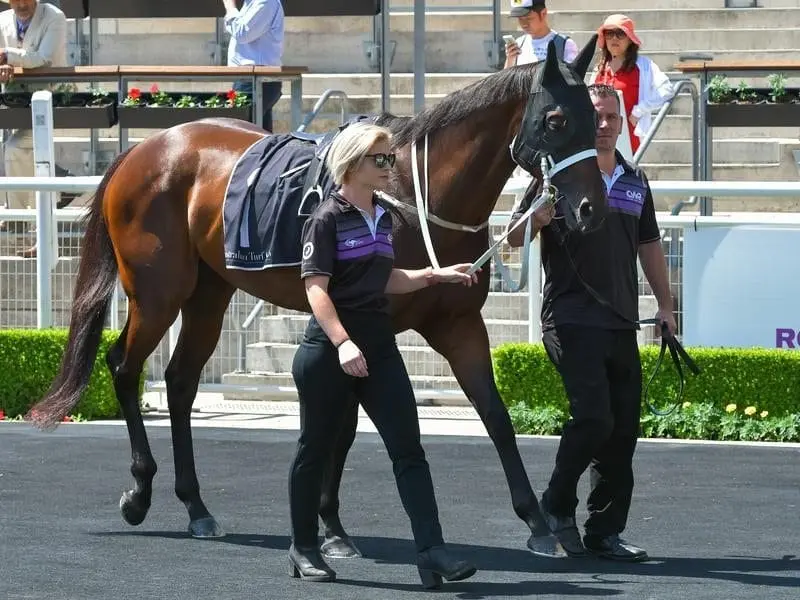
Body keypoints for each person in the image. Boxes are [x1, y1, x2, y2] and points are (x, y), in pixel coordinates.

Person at [287, 122, 479, 587]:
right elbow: (316, 289)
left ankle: (432, 551)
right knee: (315, 449)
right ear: (353, 164)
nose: (390, 166)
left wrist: (435, 276)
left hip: (379, 344)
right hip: (330, 349)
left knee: (409, 450)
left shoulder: (384, 216)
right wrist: (342, 343)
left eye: (390, 158)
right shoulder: (326, 217)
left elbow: (384, 277)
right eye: (382, 159)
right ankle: (304, 547)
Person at [506, 84, 676, 562]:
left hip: (621, 321)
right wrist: (535, 219)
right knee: (594, 418)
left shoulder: (635, 179)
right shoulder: (555, 176)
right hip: (570, 318)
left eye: (611, 118)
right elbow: (512, 240)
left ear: (622, 123)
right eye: (597, 117)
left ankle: (605, 531)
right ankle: (556, 505)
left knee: (622, 431)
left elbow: (649, 247)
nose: (604, 126)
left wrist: (665, 307)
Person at [0, 0, 67, 233]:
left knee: (16, 149)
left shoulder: (54, 17)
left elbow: (42, 58)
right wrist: (3, 66)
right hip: (14, 101)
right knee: (25, 154)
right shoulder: (3, 20)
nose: (21, 4)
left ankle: (20, 220)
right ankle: (61, 189)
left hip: (50, 98)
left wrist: (7, 56)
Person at [589, 14, 674, 157]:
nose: (614, 38)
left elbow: (666, 90)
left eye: (620, 34)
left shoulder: (644, 66)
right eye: (609, 34)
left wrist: (639, 111)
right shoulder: (599, 68)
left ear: (630, 39)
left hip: (630, 141)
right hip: (600, 140)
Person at [222, 0, 284, 132]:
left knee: (241, 133)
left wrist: (230, 6)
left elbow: (243, 33)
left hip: (257, 80)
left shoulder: (266, 2)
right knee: (258, 137)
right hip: (249, 78)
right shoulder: (251, 3)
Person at [503, 0, 579, 69]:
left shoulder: (565, 45)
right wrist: (510, 59)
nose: (524, 24)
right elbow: (506, 81)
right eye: (520, 19)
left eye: (528, 18)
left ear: (543, 13)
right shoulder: (519, 44)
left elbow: (573, 79)